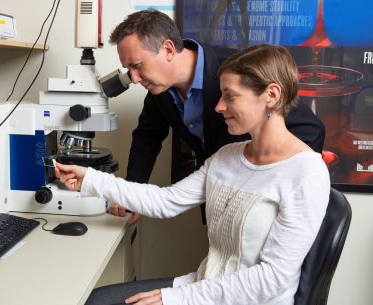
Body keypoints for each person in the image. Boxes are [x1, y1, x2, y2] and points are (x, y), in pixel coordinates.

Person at [55, 44, 331, 305]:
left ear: (271, 95)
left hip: (245, 298)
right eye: (221, 94)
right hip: (203, 286)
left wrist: (178, 298)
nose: (218, 106)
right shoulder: (227, 156)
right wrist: (90, 179)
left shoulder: (306, 173)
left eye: (230, 96)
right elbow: (166, 201)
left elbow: (273, 278)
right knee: (93, 300)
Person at [106, 10, 325, 225]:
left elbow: (311, 130)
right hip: (219, 206)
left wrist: (271, 188)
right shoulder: (159, 88)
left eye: (137, 65)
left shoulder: (235, 71)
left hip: (259, 214)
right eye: (128, 70)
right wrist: (130, 194)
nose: (134, 78)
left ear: (168, 49)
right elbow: (147, 137)